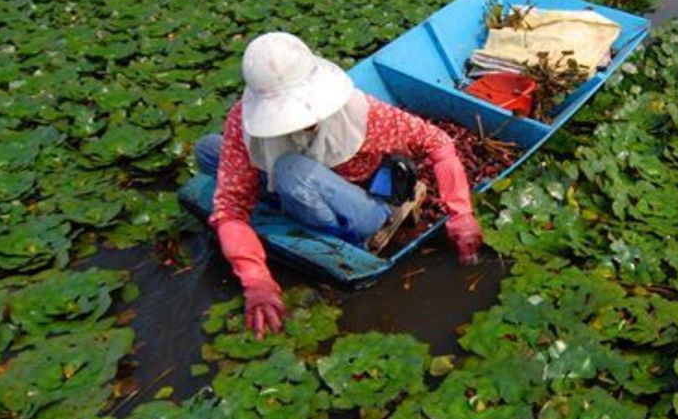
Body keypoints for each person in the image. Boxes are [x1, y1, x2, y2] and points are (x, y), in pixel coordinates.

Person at [196, 32, 484, 339]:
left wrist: (460, 212)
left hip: (363, 206)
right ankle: (292, 201)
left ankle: (339, 236)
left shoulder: (361, 113)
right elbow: (229, 210)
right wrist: (255, 279)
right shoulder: (242, 121)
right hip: (302, 181)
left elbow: (437, 142)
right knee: (208, 149)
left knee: (291, 170)